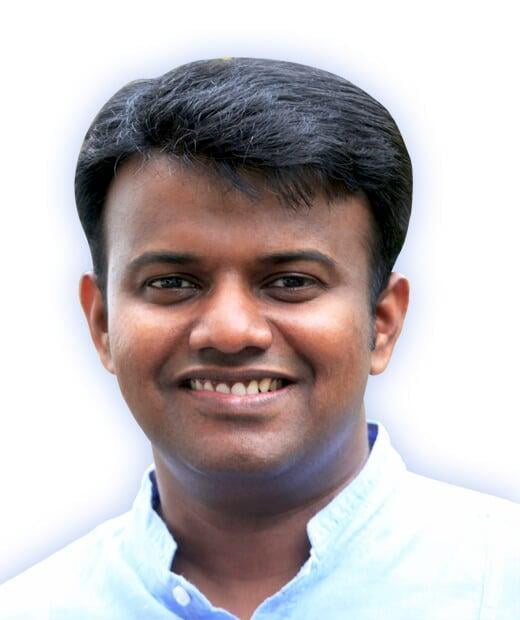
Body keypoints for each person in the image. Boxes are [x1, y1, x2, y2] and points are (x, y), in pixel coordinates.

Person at [1, 57, 518, 619]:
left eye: (291, 282)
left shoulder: (499, 585)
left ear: (383, 321)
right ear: (102, 322)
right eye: (172, 283)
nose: (230, 331)